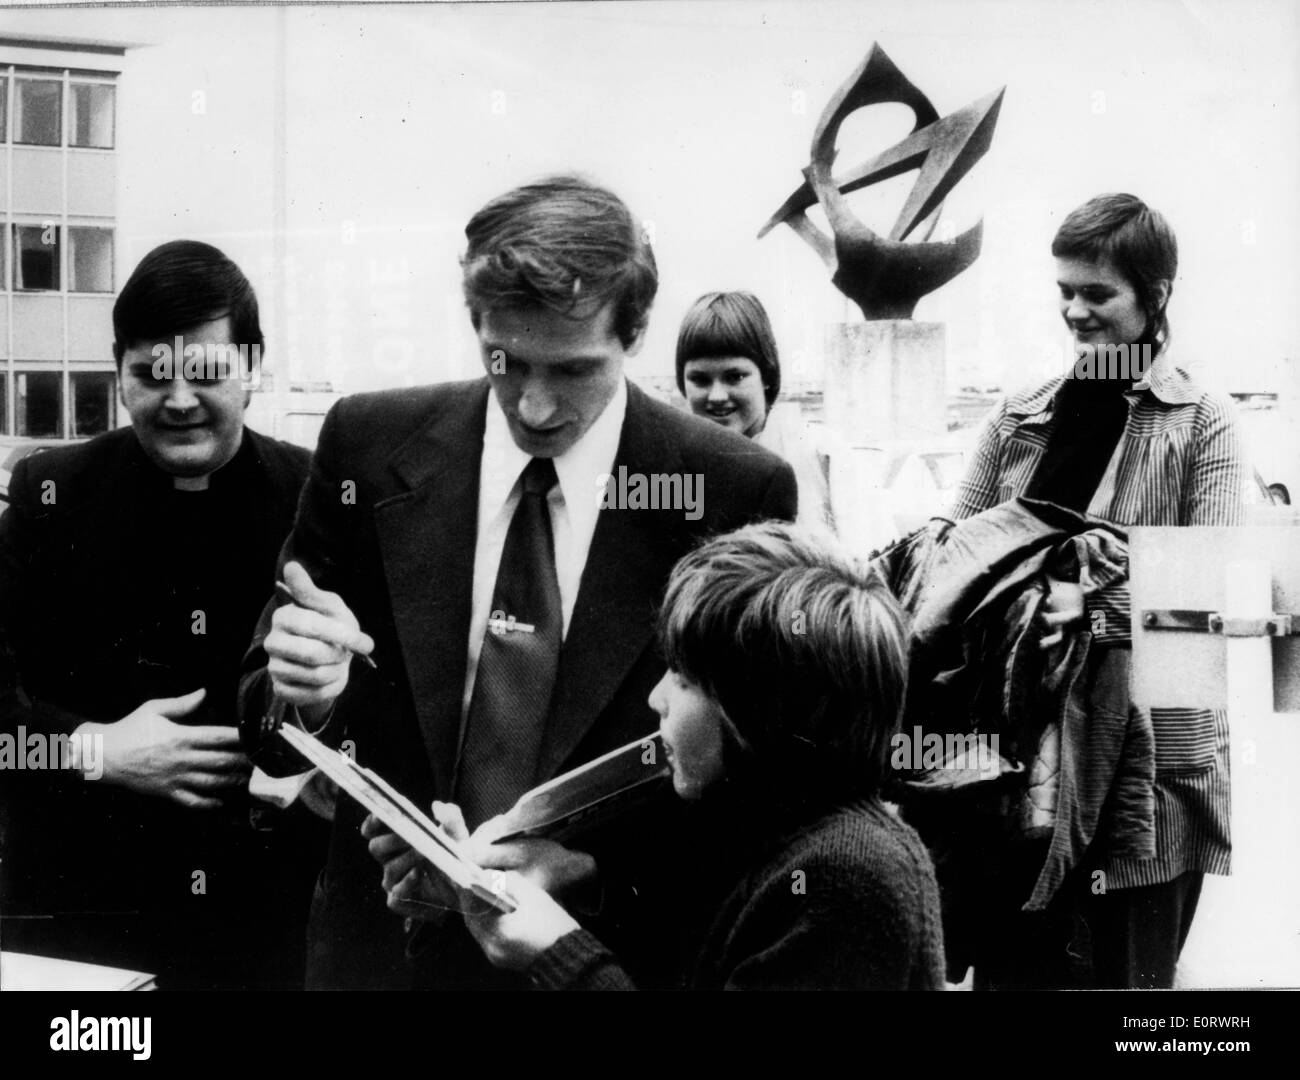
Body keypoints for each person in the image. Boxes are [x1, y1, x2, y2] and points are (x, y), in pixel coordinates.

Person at [238, 175, 798, 989]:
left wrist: (595, 877)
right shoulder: (369, 444)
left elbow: (751, 789)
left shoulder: (731, 489)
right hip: (381, 957)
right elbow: (261, 708)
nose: (534, 407)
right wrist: (306, 696)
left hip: (601, 958)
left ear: (636, 331)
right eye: (507, 364)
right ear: (476, 327)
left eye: (572, 370)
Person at [370, 522, 944, 989]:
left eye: (684, 678)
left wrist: (559, 954)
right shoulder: (767, 827)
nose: (656, 698)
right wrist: (569, 880)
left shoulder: (847, 879)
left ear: (761, 710)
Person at [0, 241, 325, 989]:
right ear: (119, 376)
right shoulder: (50, 496)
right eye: (151, 375)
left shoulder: (313, 496)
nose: (179, 400)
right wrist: (96, 752)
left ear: (251, 367)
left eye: (207, 373)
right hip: (82, 926)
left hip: (261, 929)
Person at [948, 193, 1249, 988]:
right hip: (1018, 770)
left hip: (1145, 780)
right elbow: (948, 565)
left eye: (1096, 293)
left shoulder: (1202, 424)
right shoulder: (1018, 420)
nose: (1075, 312)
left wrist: (1073, 598)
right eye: (1064, 293)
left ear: (1155, 295)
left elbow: (1203, 599)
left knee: (1129, 995)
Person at [675, 291, 834, 531]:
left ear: (767, 376)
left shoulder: (820, 454)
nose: (717, 396)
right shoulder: (672, 469)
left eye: (734, 377)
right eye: (700, 379)